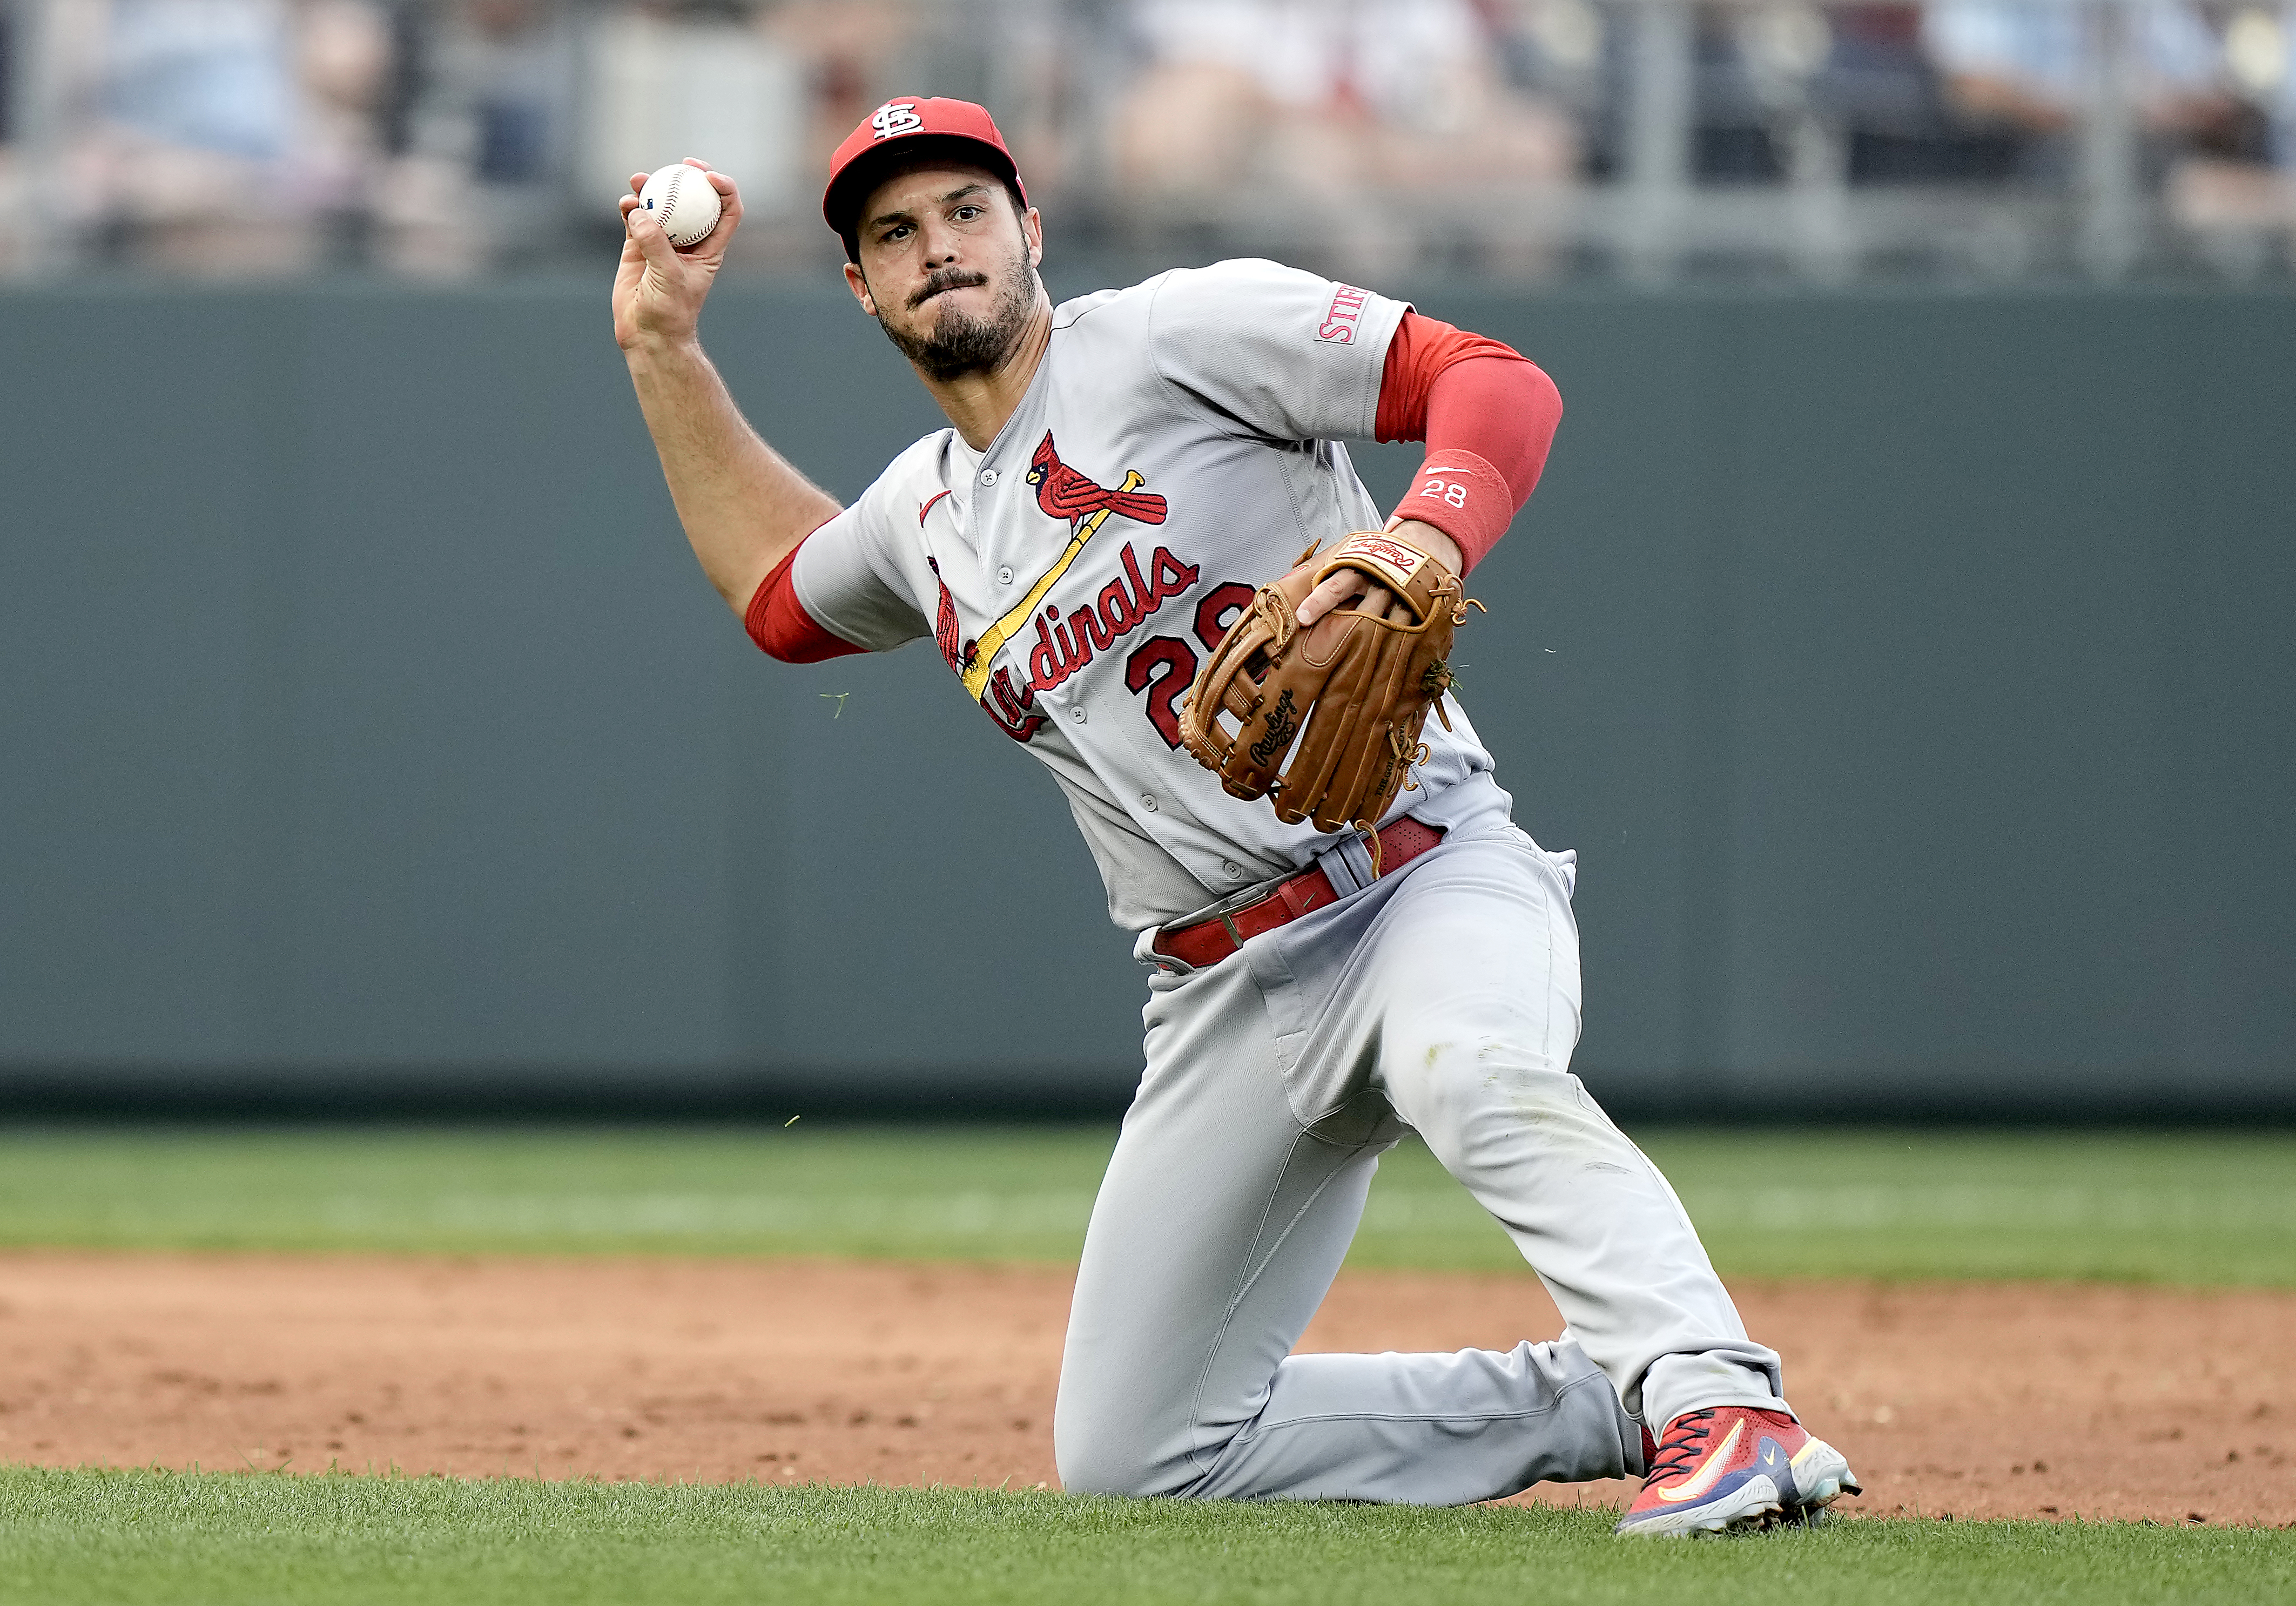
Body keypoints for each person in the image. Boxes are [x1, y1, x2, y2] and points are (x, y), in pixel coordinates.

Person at [611, 95, 1857, 1535]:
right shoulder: (924, 517)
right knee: (1138, 1453)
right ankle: (1600, 1399)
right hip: (1219, 994)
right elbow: (776, 597)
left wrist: (1418, 536)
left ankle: (1719, 1402)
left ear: (1030, 227)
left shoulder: (1174, 336)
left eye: (963, 211)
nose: (935, 248)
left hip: (1415, 877)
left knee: (1467, 1065)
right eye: (893, 233)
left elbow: (1494, 384)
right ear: (862, 288)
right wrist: (660, 347)